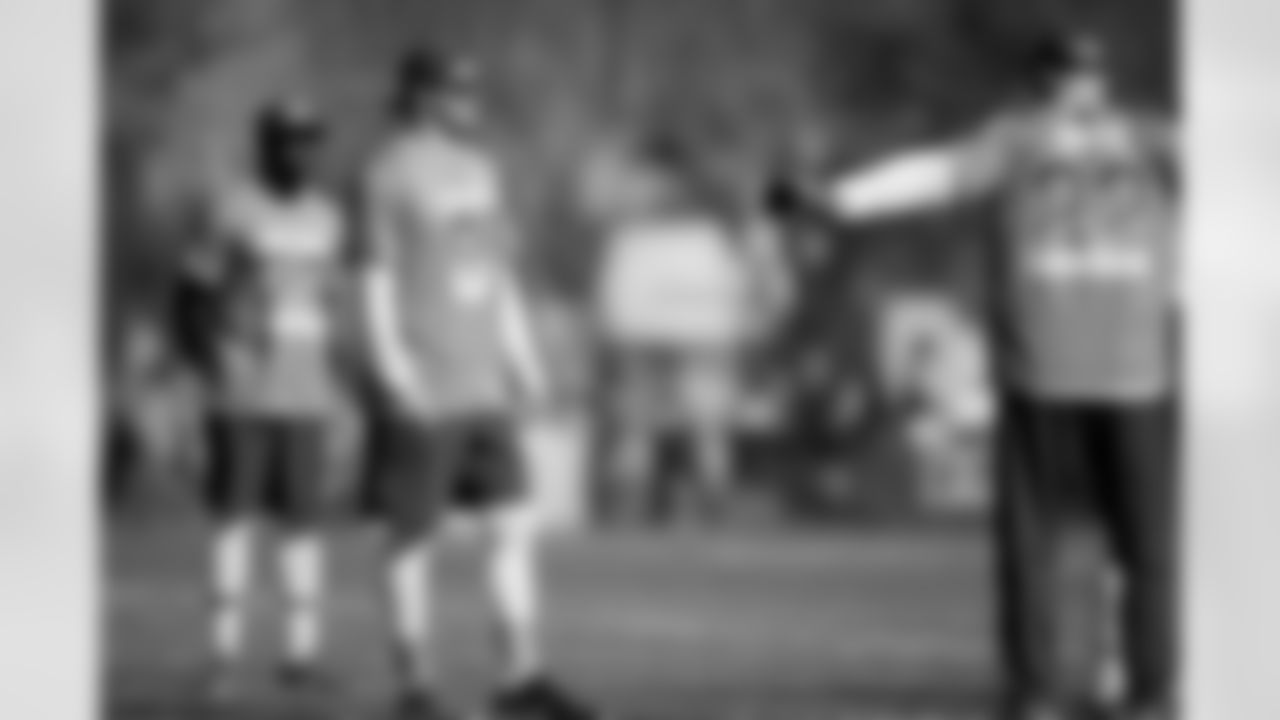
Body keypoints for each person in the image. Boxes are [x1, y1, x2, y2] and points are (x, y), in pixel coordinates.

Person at [771, 32, 1179, 720]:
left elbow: (932, 175)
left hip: (1046, 367)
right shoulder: (1153, 138)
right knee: (1145, 545)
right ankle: (1150, 691)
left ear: (1037, 80)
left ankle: (1040, 692)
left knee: (1035, 543)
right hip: (1134, 370)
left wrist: (837, 200)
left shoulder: (1017, 138)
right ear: (1101, 80)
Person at [359, 48, 595, 720]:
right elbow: (374, 275)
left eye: (472, 88)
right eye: (458, 90)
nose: (471, 100)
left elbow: (498, 272)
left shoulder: (482, 169)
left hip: (484, 385)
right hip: (425, 383)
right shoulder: (386, 172)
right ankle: (414, 689)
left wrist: (526, 359)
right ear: (422, 96)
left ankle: (520, 677)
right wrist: (391, 366)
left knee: (513, 525)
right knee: (411, 537)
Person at [188, 96, 354, 703]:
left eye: (310, 141)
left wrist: (342, 385)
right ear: (265, 146)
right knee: (233, 522)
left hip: (305, 396)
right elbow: (191, 296)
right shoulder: (231, 209)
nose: (301, 153)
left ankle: (300, 658)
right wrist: (210, 359)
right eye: (290, 141)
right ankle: (222, 658)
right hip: (243, 399)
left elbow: (332, 302)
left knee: (303, 527)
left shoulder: (329, 217)